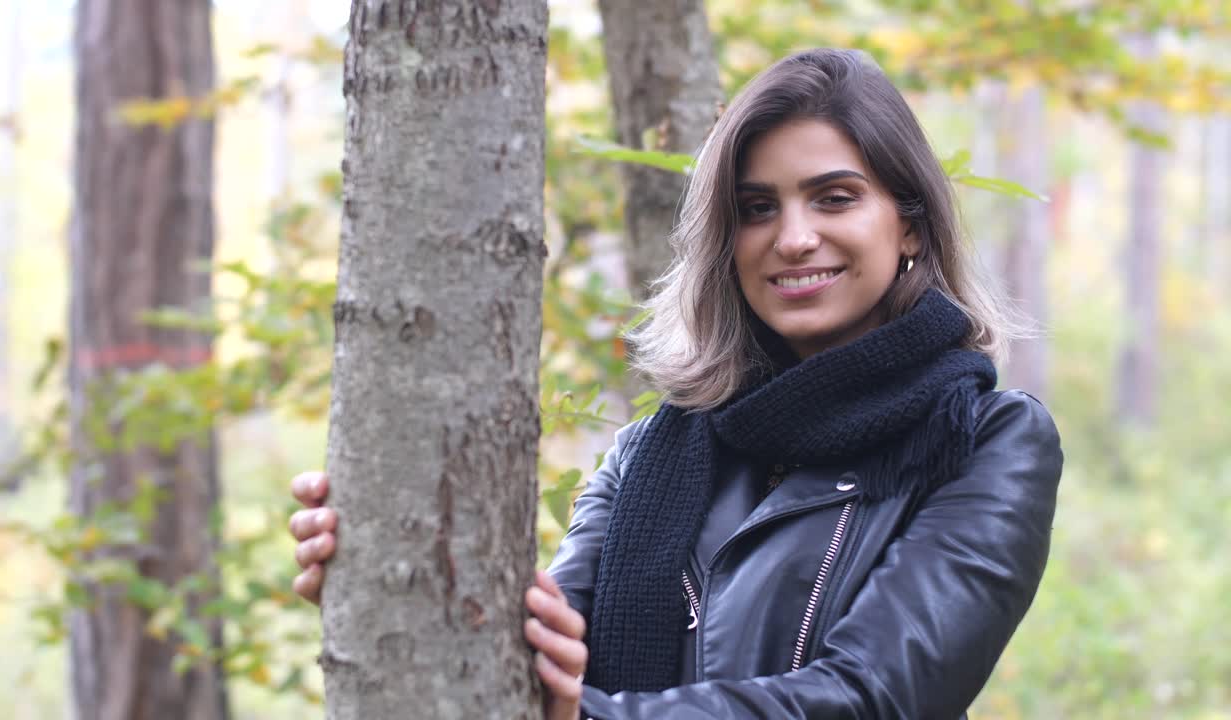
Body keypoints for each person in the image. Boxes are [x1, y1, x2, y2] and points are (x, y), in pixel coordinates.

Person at [288, 48, 1063, 719]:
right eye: (757, 209)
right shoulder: (648, 454)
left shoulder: (989, 442)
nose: (793, 239)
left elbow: (874, 698)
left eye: (835, 197)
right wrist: (402, 572)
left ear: (912, 225)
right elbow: (539, 661)